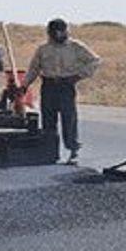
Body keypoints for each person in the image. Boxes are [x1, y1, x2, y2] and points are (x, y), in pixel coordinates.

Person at [21, 18, 101, 165]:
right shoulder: (43, 49)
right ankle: (50, 152)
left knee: (68, 118)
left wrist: (79, 75)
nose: (58, 35)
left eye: (61, 31)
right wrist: (24, 85)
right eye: (54, 32)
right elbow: (34, 69)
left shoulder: (75, 47)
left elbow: (94, 61)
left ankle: (73, 150)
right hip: (48, 86)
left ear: (65, 31)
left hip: (66, 86)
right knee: (48, 119)